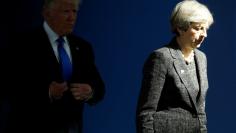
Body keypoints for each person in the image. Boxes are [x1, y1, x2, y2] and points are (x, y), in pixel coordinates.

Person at [5, 0, 105, 132]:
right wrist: (47, 92)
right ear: (47, 14)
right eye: (66, 12)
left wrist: (90, 91)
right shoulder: (23, 44)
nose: (72, 17)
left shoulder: (83, 47)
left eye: (74, 11)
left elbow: (99, 86)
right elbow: (11, 88)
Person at [136, 0, 213, 133]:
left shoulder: (201, 58)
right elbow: (146, 113)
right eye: (198, 28)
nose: (204, 34)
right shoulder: (161, 57)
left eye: (205, 29)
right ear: (180, 28)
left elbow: (200, 112)